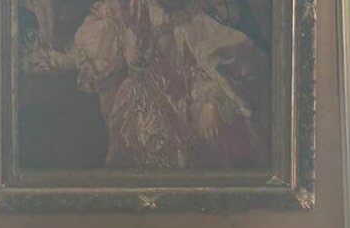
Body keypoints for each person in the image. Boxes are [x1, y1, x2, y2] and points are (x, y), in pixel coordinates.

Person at [65, 0, 270, 169]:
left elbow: (213, 64)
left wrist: (209, 101)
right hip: (132, 113)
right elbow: (96, 49)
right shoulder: (121, 9)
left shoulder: (189, 15)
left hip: (181, 108)